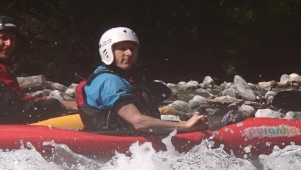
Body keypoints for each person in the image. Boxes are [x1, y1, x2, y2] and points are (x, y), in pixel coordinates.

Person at [76, 27, 208, 133]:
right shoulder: (110, 81)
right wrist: (186, 126)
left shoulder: (112, 76)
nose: (129, 53)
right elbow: (138, 122)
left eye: (132, 49)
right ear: (108, 51)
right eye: (122, 49)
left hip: (120, 138)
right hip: (119, 143)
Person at [0, 16, 77, 125]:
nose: (9, 43)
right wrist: (59, 104)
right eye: (3, 38)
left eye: (12, 39)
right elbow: (17, 108)